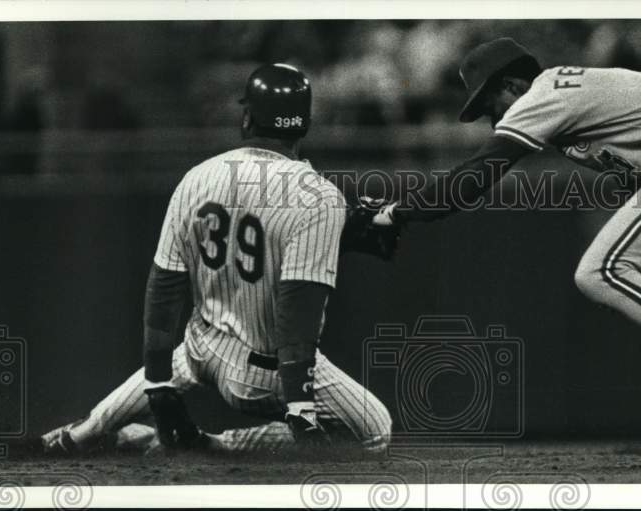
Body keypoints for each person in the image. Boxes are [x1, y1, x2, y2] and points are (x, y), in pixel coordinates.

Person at [374, 38, 641, 452]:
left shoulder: (544, 93)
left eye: (489, 104)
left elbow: (477, 175)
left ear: (512, 85)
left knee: (599, 272)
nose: (489, 119)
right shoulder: (569, 97)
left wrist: (398, 212)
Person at [42, 63, 391, 455]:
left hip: (200, 350)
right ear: (305, 124)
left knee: (179, 362)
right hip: (267, 372)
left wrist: (158, 383)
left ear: (247, 118)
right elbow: (298, 315)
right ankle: (217, 445)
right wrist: (300, 406)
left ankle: (77, 434)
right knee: (375, 432)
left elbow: (164, 290)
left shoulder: (197, 177)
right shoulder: (320, 195)